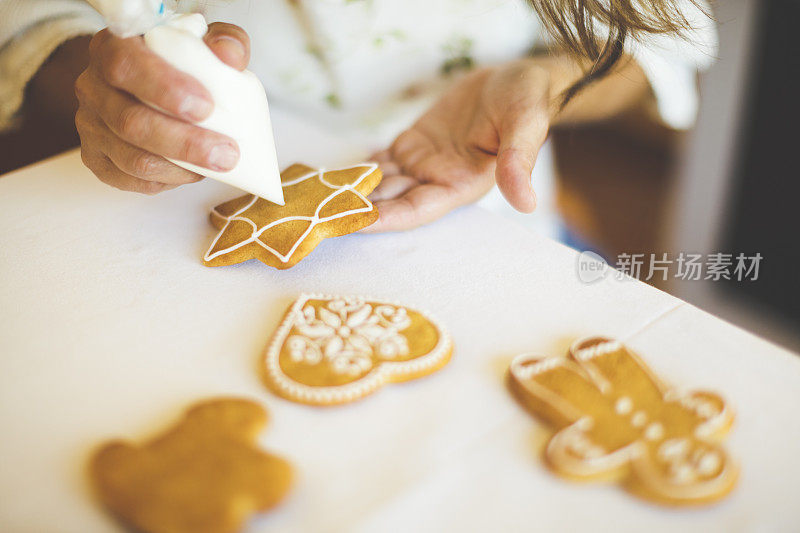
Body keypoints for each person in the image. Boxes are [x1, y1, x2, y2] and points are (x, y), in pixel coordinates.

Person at [0, 0, 716, 233]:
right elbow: (42, 19)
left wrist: (552, 80)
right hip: (180, 205)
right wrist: (113, 89)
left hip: (481, 200)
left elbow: (659, 49)